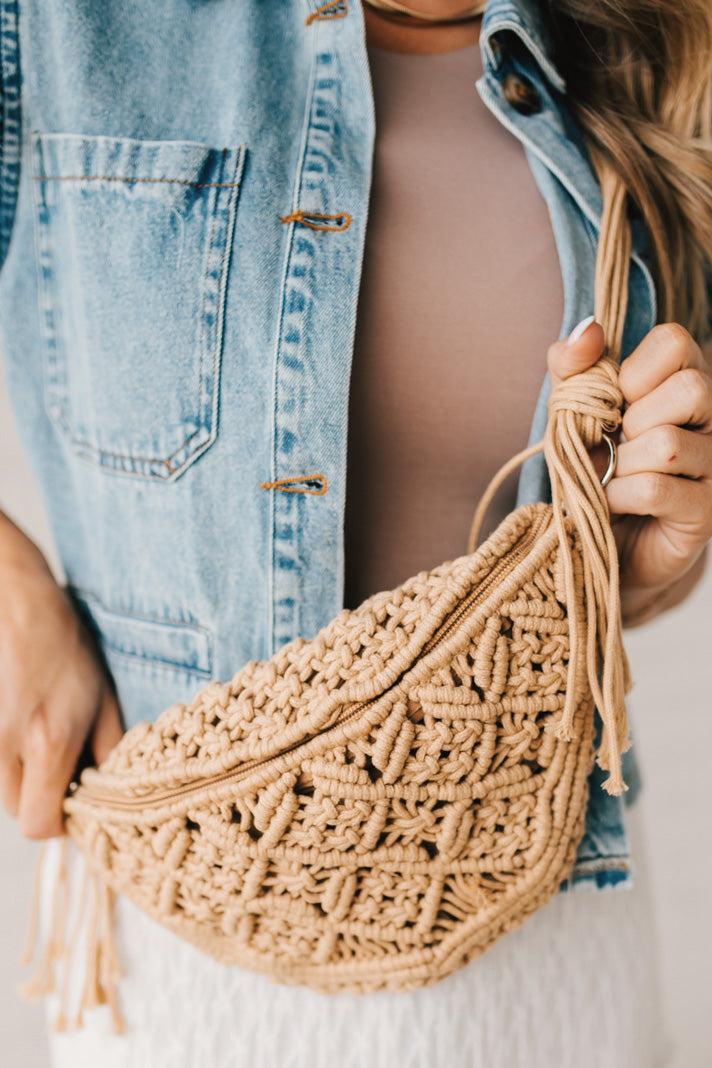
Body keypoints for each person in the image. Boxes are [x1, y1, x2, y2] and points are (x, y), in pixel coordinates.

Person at [0, 0, 710, 1065]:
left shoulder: (632, 59)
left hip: (550, 952)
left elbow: (597, 586)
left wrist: (651, 558)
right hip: (182, 967)